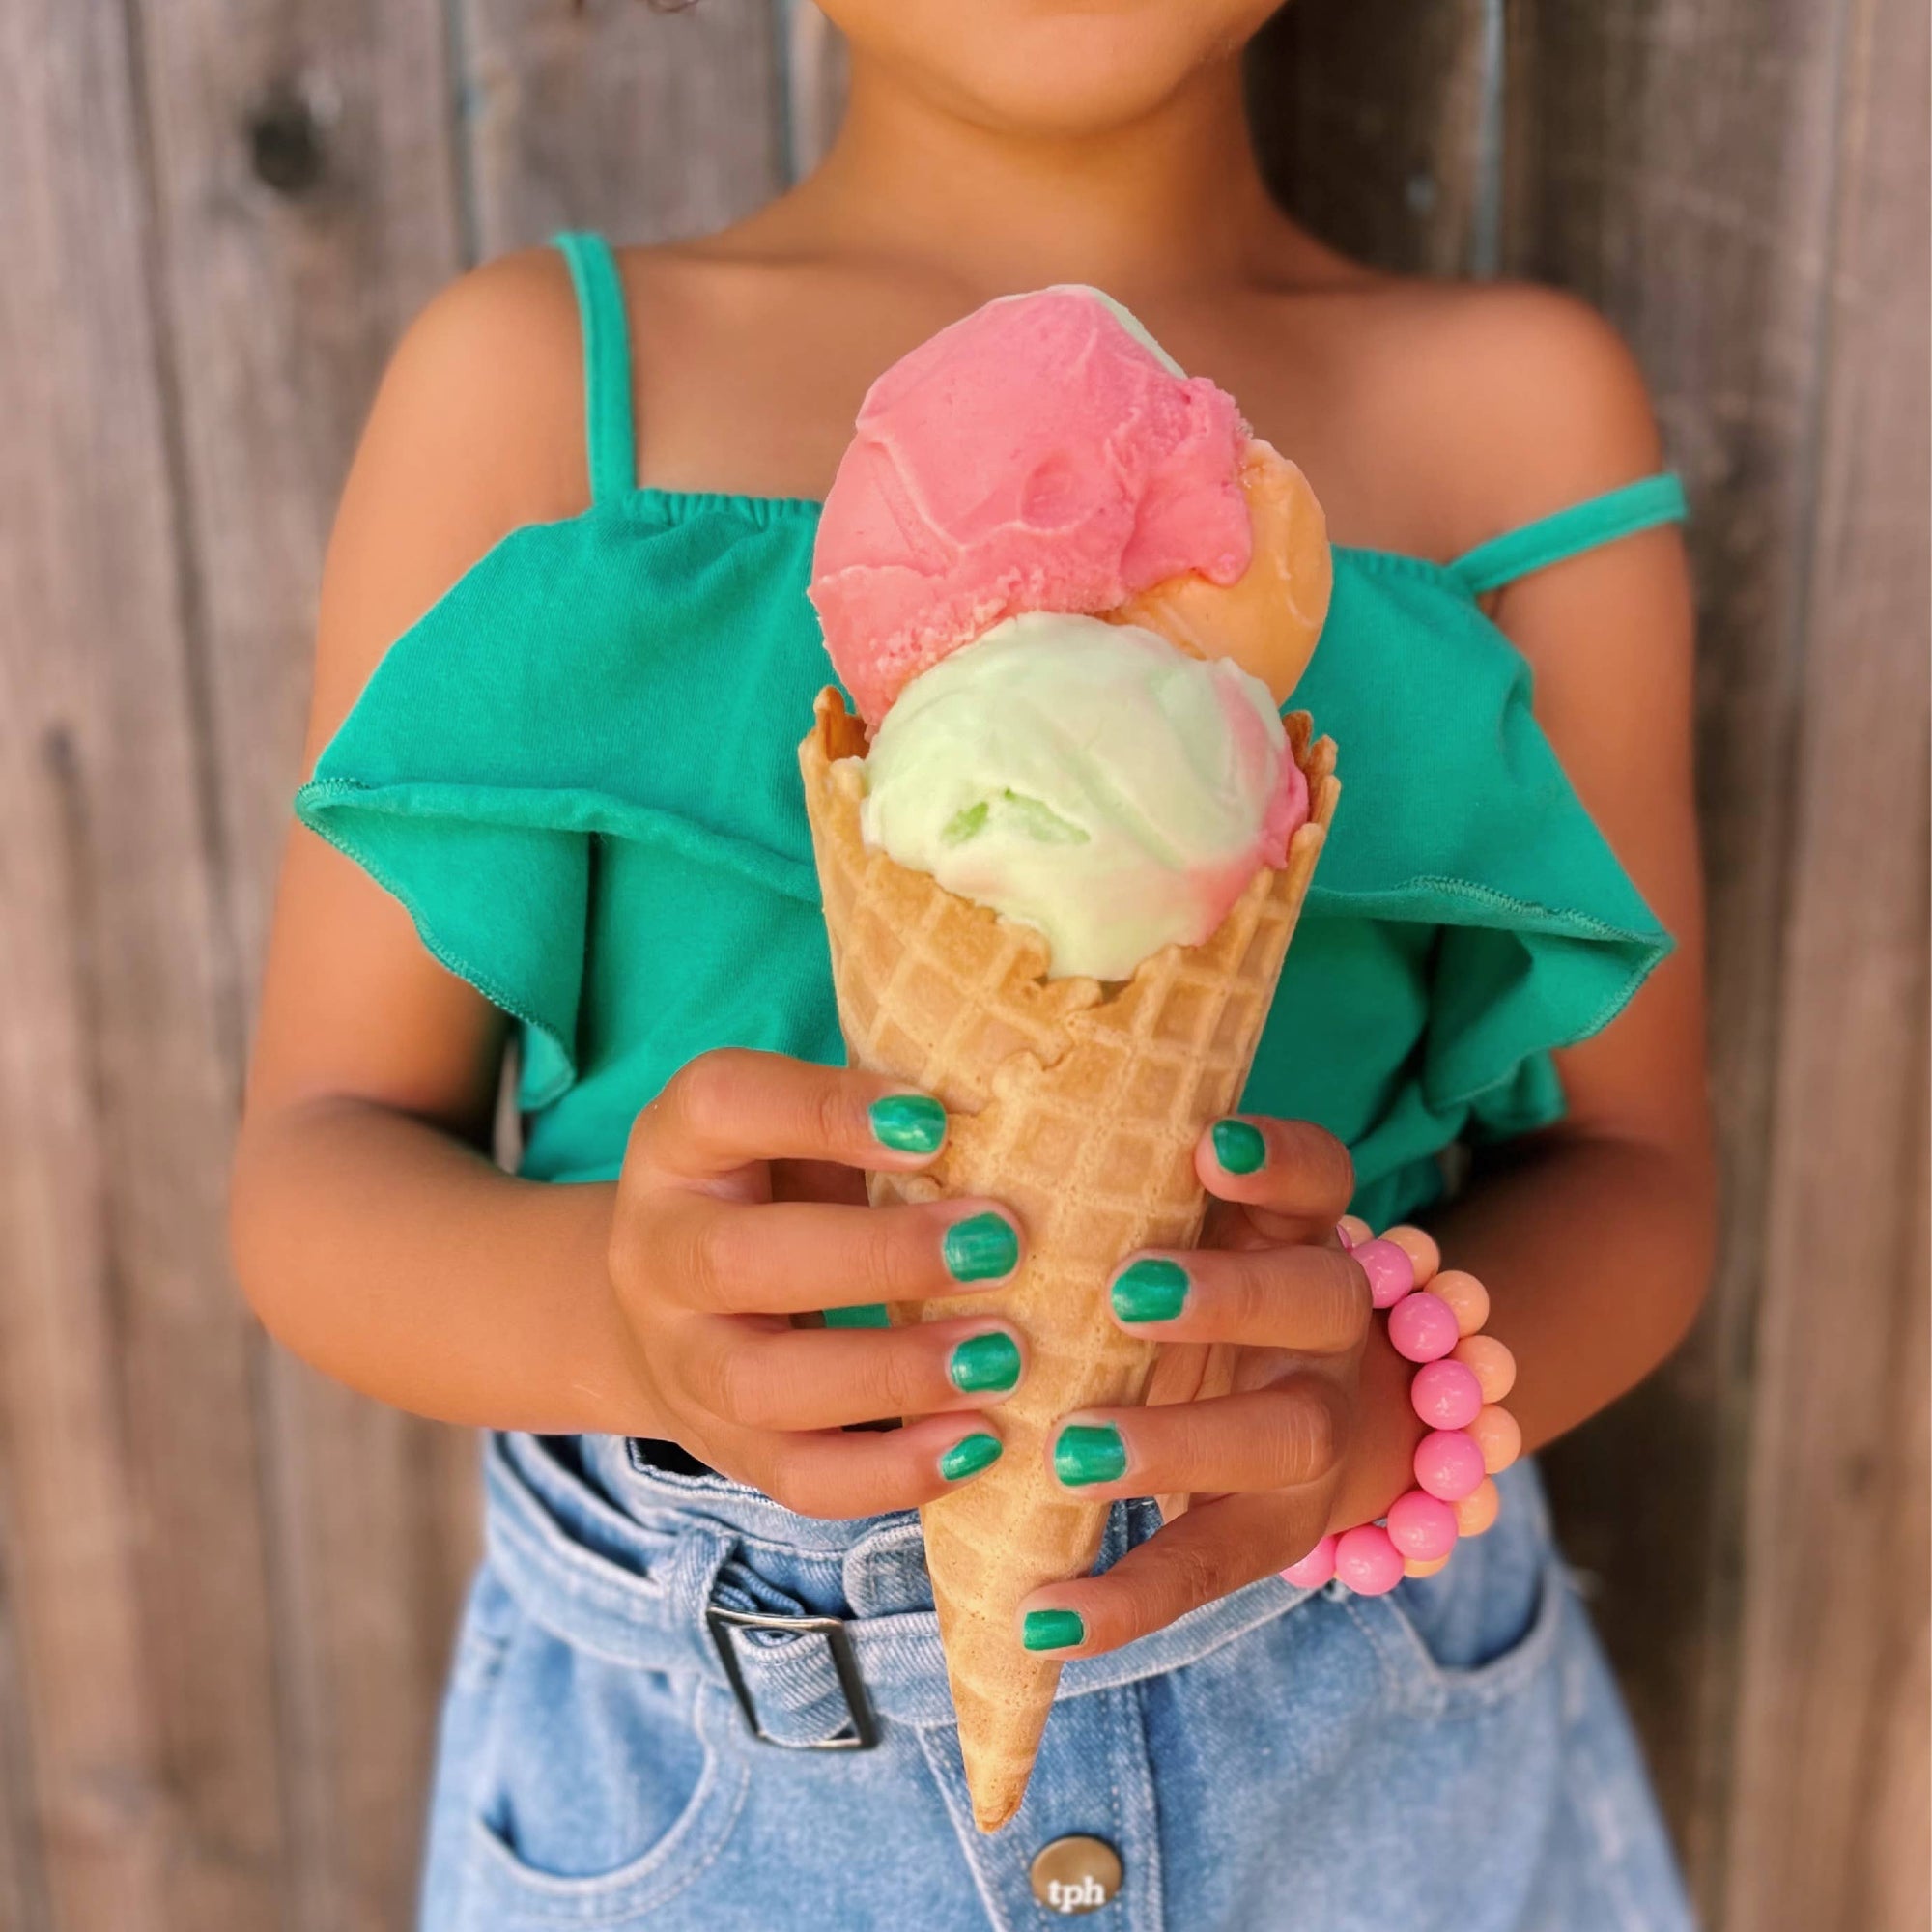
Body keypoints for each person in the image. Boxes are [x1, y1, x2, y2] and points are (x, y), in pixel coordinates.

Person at [230, 3, 1715, 1924]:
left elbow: (1640, 1177)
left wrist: (1378, 1410)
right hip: (707, 1798)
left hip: (1372, 1764)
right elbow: (318, 1161)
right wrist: (617, 1311)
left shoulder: (1512, 413)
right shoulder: (539, 382)